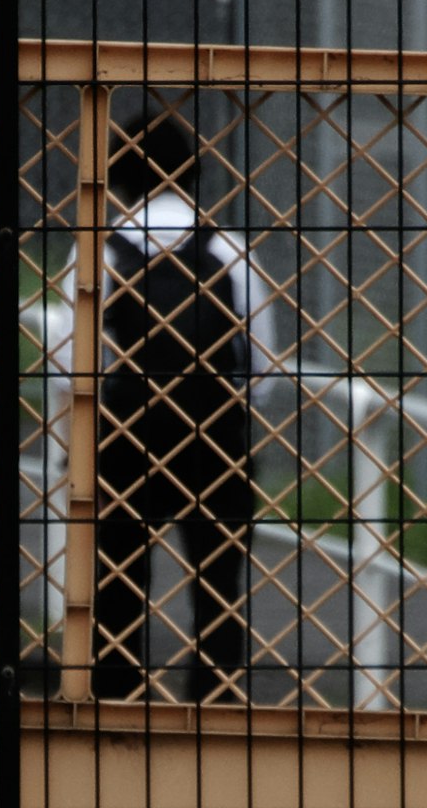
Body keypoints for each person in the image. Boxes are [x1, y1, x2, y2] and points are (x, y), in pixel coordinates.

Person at [88, 106, 286, 703]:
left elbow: (70, 365)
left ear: (119, 175)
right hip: (214, 440)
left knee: (117, 583)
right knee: (218, 584)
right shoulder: (228, 252)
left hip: (125, 443)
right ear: (191, 171)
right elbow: (262, 365)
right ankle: (214, 706)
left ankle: (116, 704)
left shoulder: (100, 254)